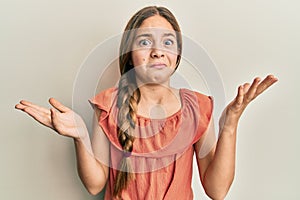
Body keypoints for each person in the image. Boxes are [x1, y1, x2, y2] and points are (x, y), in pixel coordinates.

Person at [15, 6, 278, 200]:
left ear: (176, 55)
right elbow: (95, 185)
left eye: (167, 41)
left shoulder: (196, 107)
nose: (157, 50)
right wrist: (80, 135)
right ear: (130, 54)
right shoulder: (109, 105)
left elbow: (217, 190)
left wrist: (230, 124)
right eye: (144, 41)